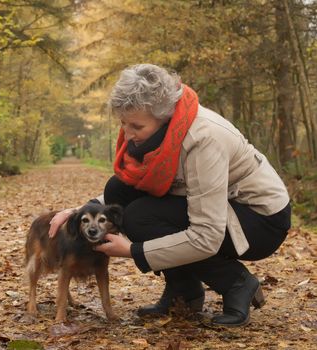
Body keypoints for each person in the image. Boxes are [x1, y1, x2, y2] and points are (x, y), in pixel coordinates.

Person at [48, 64, 291, 328]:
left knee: (140, 218)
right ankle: (184, 290)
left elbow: (206, 235)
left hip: (259, 218)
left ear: (163, 117)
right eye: (123, 123)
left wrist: (134, 251)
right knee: (117, 189)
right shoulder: (162, 133)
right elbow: (128, 190)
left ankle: (237, 283)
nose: (127, 135)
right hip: (220, 205)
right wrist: (78, 211)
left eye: (136, 126)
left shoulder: (202, 140)